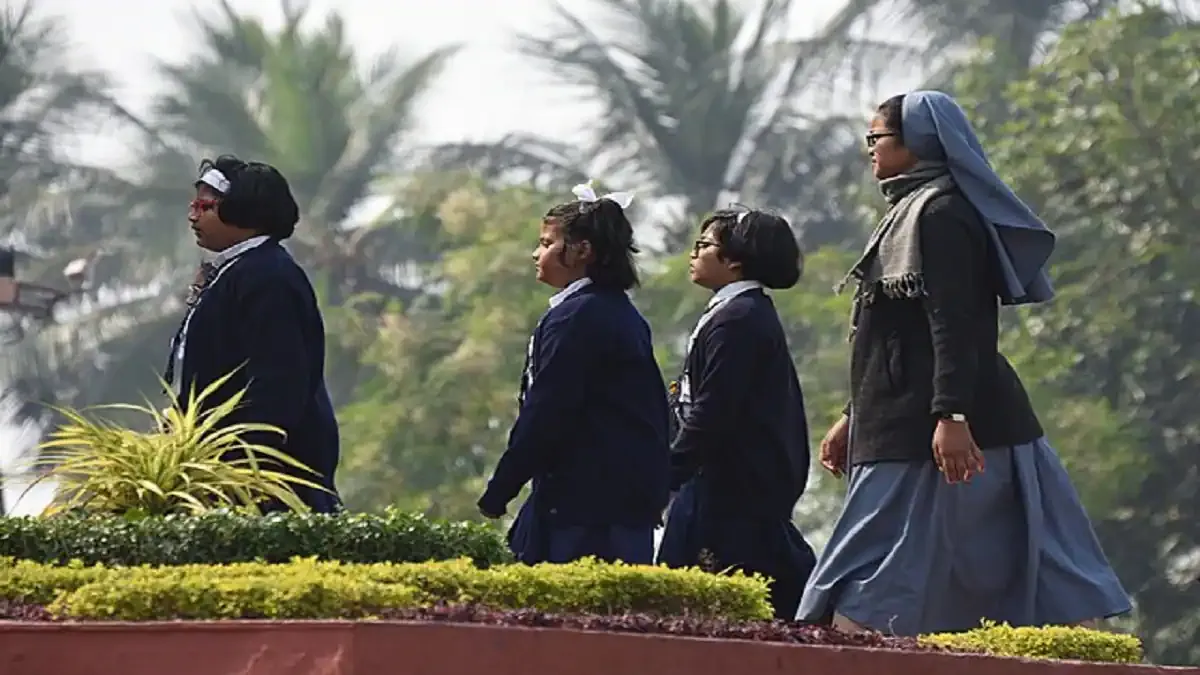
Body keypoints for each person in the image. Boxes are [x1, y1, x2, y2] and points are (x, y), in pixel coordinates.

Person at [796, 91, 1131, 634]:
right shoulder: (905, 214)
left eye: (877, 139)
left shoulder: (943, 214)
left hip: (948, 427)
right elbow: (895, 337)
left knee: (1024, 563)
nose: (870, 152)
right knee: (877, 572)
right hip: (901, 423)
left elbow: (958, 323)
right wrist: (853, 414)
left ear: (917, 144)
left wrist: (951, 416)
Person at [477, 182, 671, 565]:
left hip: (584, 505)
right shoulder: (617, 312)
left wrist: (502, 487)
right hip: (613, 498)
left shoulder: (578, 317)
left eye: (547, 243)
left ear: (582, 251)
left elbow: (548, 407)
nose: (537, 253)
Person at [656, 208, 817, 620]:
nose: (694, 255)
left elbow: (714, 410)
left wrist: (667, 473)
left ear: (735, 260)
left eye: (704, 246)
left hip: (729, 488)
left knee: (705, 602)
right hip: (715, 483)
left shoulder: (740, 319)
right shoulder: (731, 313)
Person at [167, 154, 341, 513]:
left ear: (244, 210)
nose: (193, 215)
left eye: (205, 205)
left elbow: (279, 378)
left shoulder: (268, 277)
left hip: (263, 475)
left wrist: (247, 459)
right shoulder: (238, 272)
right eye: (193, 204)